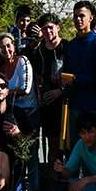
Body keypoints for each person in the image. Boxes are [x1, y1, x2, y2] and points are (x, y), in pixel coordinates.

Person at [62, 1, 96, 141]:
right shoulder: (70, 46)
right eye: (75, 16)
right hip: (74, 105)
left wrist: (76, 79)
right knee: (75, 149)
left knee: (94, 150)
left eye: (82, 16)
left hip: (93, 106)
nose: (78, 19)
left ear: (91, 18)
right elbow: (66, 73)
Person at [31, 14, 67, 159]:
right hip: (46, 103)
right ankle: (50, 174)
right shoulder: (38, 51)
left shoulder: (67, 47)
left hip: (65, 101)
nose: (48, 31)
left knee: (65, 141)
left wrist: (60, 91)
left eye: (51, 27)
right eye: (44, 28)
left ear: (58, 27)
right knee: (49, 142)